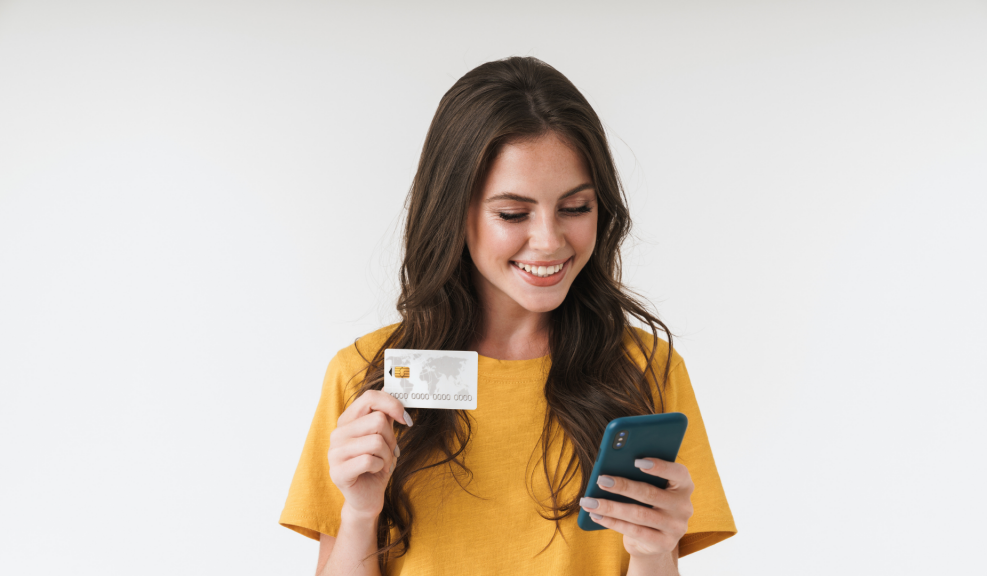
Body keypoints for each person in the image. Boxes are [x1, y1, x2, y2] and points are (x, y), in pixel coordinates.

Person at [279, 56, 736, 576]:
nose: (549, 241)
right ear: (455, 213)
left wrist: (655, 552)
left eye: (576, 207)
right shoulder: (366, 376)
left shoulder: (646, 368)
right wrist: (361, 512)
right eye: (513, 214)